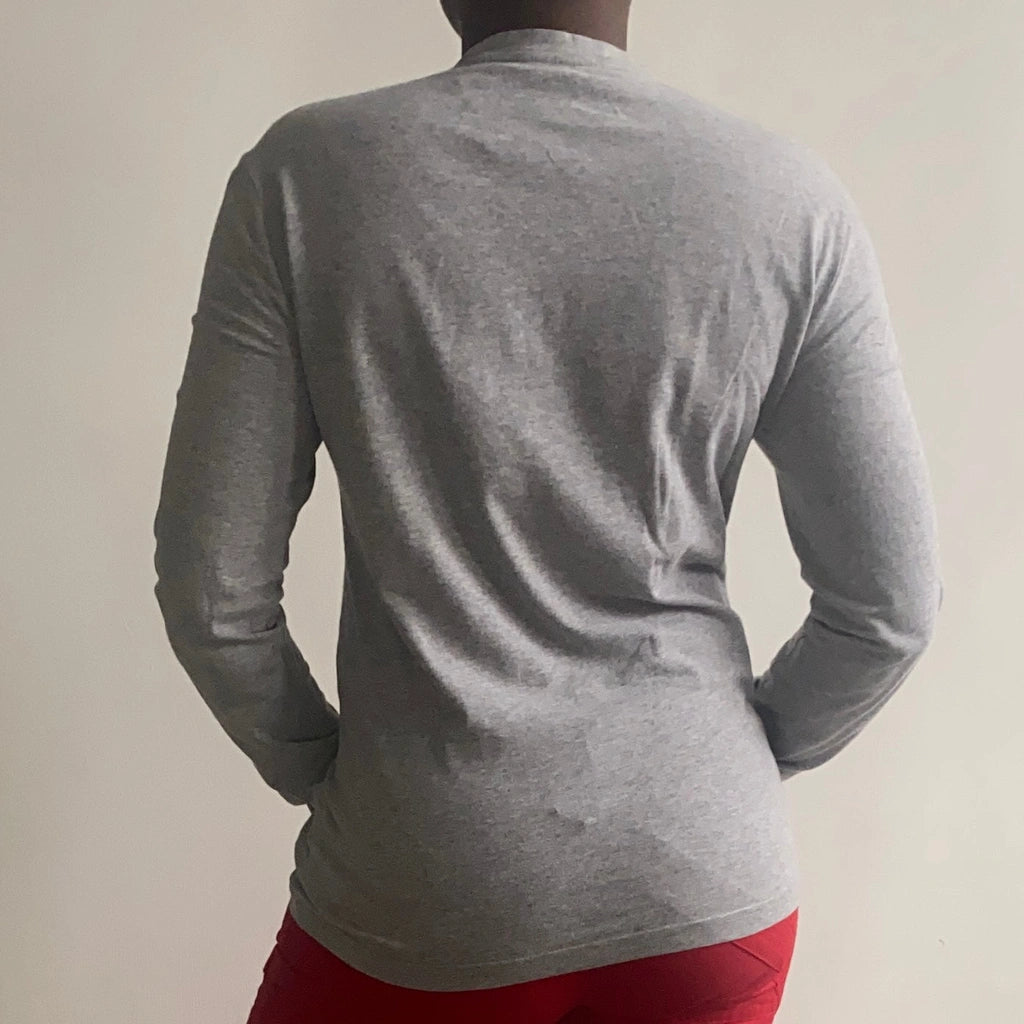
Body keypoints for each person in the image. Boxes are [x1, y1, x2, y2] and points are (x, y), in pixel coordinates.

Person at [152, 1, 944, 1021]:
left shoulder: (305, 179)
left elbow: (212, 594)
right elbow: (890, 604)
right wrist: (730, 762)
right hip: (705, 886)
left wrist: (321, 767)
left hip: (426, 868)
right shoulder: (787, 198)